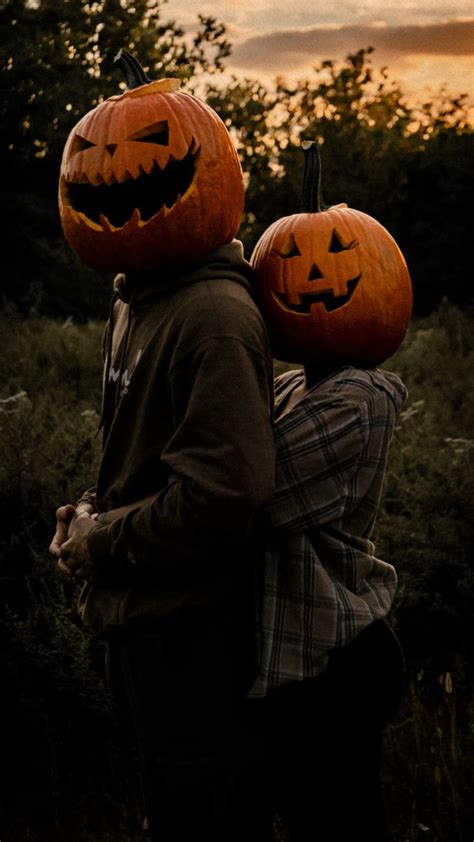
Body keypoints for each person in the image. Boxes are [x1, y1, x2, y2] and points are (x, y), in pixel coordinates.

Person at [49, 240, 276, 842]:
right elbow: (135, 456)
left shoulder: (215, 317)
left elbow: (225, 494)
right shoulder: (132, 298)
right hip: (138, 617)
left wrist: (101, 545)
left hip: (194, 636)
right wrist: (87, 514)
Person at [249, 361, 408, 841]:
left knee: (337, 823)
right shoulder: (289, 383)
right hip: (290, 664)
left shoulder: (357, 394)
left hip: (332, 664)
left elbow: (237, 494)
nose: (310, 280)